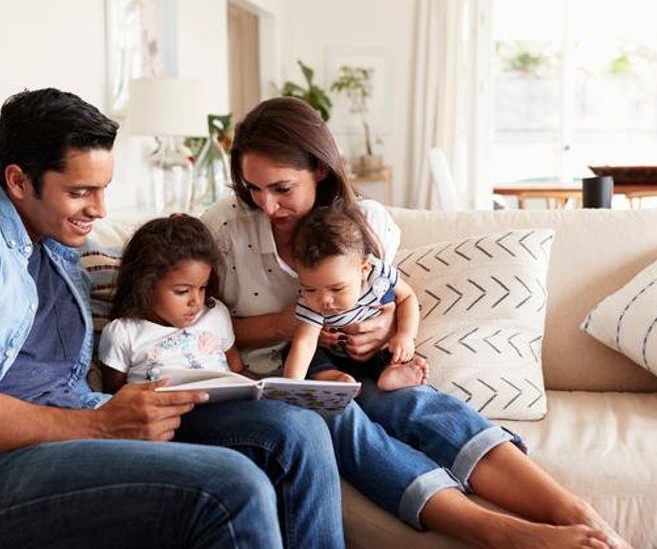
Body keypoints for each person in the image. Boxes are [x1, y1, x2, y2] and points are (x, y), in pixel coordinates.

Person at [0, 88, 342, 548]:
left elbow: (156, 278)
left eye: (103, 190)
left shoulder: (63, 250)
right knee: (231, 486)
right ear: (18, 180)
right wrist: (98, 424)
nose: (99, 209)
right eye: (81, 192)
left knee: (296, 430)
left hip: (86, 423)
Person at [201, 96, 629, 549]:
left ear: (320, 170)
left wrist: (384, 332)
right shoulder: (224, 229)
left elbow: (388, 299)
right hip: (272, 378)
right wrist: (284, 325)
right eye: (253, 188)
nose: (266, 205)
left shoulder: (364, 224)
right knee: (336, 415)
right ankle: (495, 531)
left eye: (282, 188)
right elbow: (197, 329)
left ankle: (576, 513)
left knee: (411, 402)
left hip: (353, 363)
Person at [284, 201, 428, 391]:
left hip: (376, 351)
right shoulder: (311, 303)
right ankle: (333, 377)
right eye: (310, 289)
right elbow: (305, 343)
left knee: (393, 350)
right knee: (292, 350)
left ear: (364, 269)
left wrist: (405, 335)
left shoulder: (377, 276)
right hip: (334, 357)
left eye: (337, 289)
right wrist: (290, 388)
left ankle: (392, 373)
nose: (324, 300)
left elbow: (407, 297)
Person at [97, 214, 244, 388]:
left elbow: (236, 370)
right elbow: (115, 399)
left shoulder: (215, 313)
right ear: (145, 285)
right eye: (182, 291)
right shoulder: (123, 333)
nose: (196, 302)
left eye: (202, 287)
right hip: (168, 413)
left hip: (227, 407)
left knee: (277, 411)